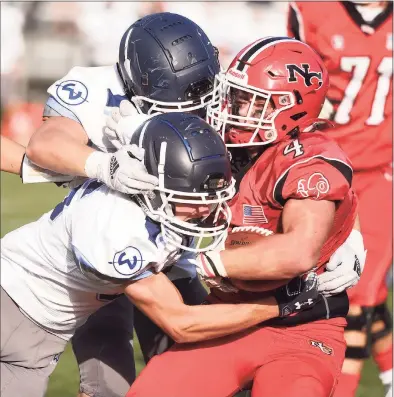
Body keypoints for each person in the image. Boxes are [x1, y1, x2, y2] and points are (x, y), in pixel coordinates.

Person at [1, 112, 322, 397]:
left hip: (40, 340)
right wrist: (283, 304)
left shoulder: (157, 170)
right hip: (11, 306)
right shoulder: (118, 226)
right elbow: (181, 323)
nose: (205, 208)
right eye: (190, 198)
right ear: (153, 189)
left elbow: (167, 133)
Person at [126, 37, 366, 397]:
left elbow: (297, 253)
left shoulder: (309, 159)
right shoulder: (218, 141)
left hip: (303, 328)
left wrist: (204, 262)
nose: (232, 109)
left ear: (289, 108)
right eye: (234, 96)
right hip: (226, 313)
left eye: (249, 102)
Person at [22, 12, 220, 397]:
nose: (187, 103)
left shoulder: (207, 87)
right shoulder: (94, 86)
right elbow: (45, 144)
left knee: (200, 374)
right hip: (101, 247)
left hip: (174, 250)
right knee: (107, 384)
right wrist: (104, 165)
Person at [287, 3, 393, 396]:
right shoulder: (314, 9)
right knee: (353, 288)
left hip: (383, 168)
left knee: (358, 294)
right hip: (326, 165)